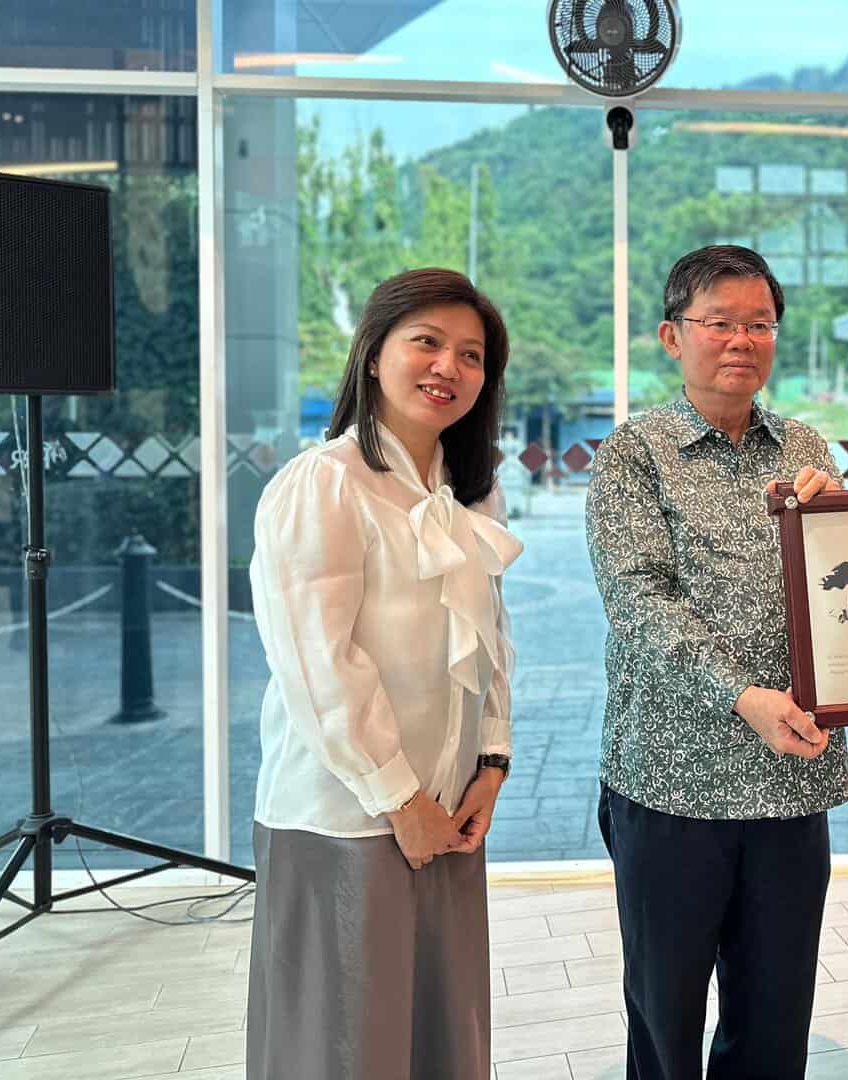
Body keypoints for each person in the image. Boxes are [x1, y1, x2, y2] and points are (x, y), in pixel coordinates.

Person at [246, 268, 522, 1080]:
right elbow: (317, 663)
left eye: (470, 355)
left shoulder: (470, 495)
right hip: (349, 814)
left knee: (442, 1038)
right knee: (344, 1048)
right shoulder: (323, 483)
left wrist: (492, 762)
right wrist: (399, 800)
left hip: (448, 808)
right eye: (425, 343)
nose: (448, 368)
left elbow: (492, 640)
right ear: (373, 354)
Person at [585, 245, 846, 1080]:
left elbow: (843, 592)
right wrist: (743, 696)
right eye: (719, 323)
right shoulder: (633, 453)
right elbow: (639, 600)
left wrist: (845, 527)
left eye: (759, 324)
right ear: (673, 336)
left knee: (776, 1008)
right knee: (664, 1007)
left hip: (791, 772)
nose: (741, 340)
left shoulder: (804, 447)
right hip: (671, 777)